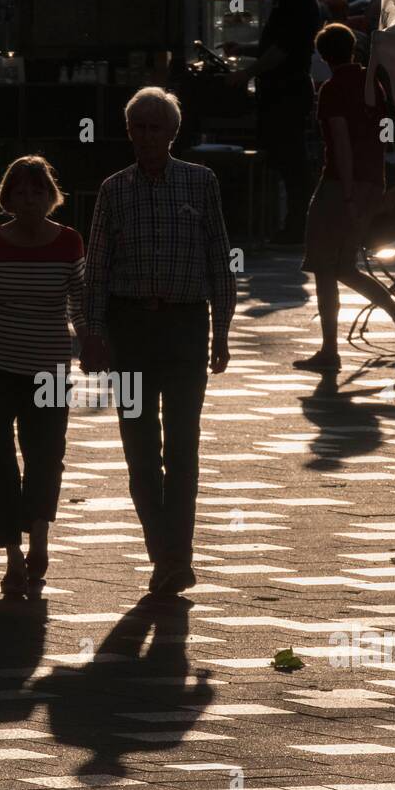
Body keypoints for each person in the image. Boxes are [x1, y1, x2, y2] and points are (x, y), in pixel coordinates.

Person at [81, 87, 235, 598]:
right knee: (140, 448)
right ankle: (164, 552)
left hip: (186, 327)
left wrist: (223, 331)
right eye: (139, 127)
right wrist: (93, 334)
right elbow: (97, 268)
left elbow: (218, 258)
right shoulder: (114, 189)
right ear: (129, 132)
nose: (148, 136)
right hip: (131, 329)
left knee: (183, 445)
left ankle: (177, 553)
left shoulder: (201, 182)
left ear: (173, 132)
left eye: (157, 127)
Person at [0, 156, 86, 599]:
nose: (29, 200)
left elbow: (79, 303)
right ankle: (12, 554)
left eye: (37, 191)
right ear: (7, 198)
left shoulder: (69, 242)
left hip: (50, 366)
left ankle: (39, 536)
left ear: (50, 196)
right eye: (20, 192)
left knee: (46, 455)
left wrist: (90, 344)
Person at [295, 23, 395, 372]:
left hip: (340, 183)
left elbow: (340, 142)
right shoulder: (372, 85)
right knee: (343, 265)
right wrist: (374, 185)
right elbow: (383, 134)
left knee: (324, 265)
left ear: (323, 55)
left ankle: (329, 350)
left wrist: (348, 194)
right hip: (371, 181)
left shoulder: (333, 89)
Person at [222, 0, 321, 244]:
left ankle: (296, 227)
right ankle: (290, 224)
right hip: (281, 93)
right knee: (285, 161)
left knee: (292, 163)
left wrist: (246, 73)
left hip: (287, 95)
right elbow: (275, 46)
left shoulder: (297, 1)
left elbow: (283, 51)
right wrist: (244, 49)